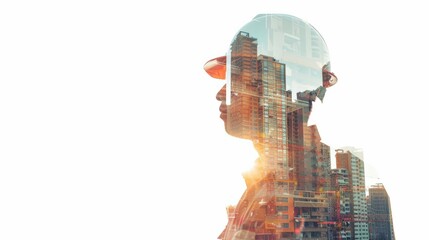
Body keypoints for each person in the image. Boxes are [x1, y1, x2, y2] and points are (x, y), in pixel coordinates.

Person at [204, 14, 337, 240]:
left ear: (277, 92)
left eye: (236, 79)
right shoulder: (265, 181)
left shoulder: (288, 194)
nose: (221, 94)